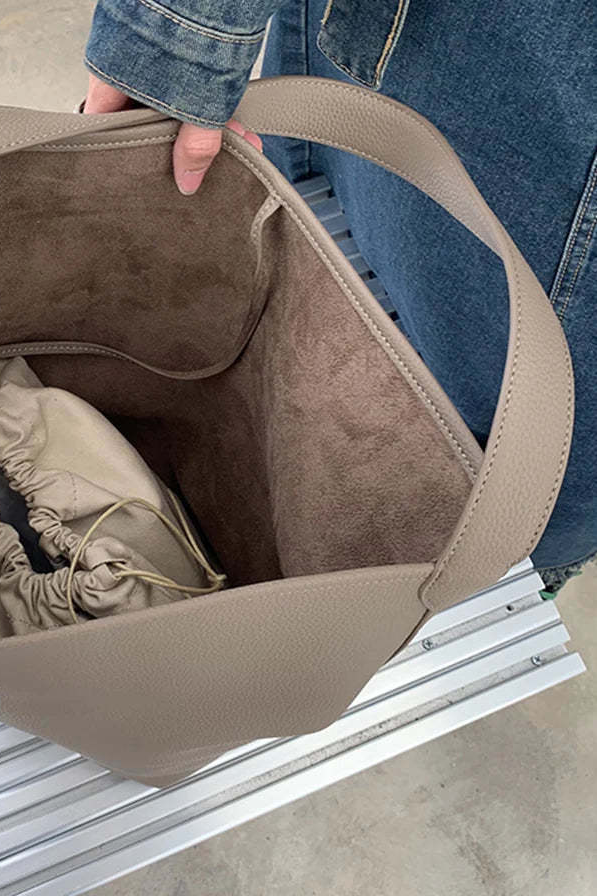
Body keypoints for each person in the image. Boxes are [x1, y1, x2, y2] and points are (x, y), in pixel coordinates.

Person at [82, 0, 596, 593]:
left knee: (508, 484)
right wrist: (179, 40)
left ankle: (493, 570)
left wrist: (177, 40)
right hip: (458, 82)